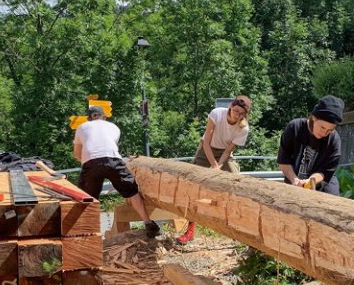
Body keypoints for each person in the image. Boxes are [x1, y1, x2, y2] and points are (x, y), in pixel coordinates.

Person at [73, 106, 160, 238]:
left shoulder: (82, 127)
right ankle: (148, 222)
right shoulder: (114, 127)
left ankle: (88, 232)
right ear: (104, 117)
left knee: (87, 198)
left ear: (89, 118)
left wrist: (86, 164)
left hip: (91, 163)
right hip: (113, 159)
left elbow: (77, 153)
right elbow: (109, 146)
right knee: (132, 190)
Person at [177, 95, 252, 244]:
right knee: (193, 186)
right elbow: (206, 142)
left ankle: (239, 228)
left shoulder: (243, 129)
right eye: (235, 111)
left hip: (225, 154)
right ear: (231, 106)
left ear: (245, 115)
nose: (236, 115)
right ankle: (190, 229)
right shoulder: (217, 113)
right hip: (206, 150)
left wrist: (219, 166)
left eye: (240, 114)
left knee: (237, 183)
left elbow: (227, 151)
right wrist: (214, 165)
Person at [277, 95, 344, 196]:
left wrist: (310, 181)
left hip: (323, 188)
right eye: (322, 127)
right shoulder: (294, 128)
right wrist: (295, 180)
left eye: (330, 130)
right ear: (314, 117)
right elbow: (283, 162)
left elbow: (325, 172)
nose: (325, 133)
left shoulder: (334, 139)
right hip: (293, 182)